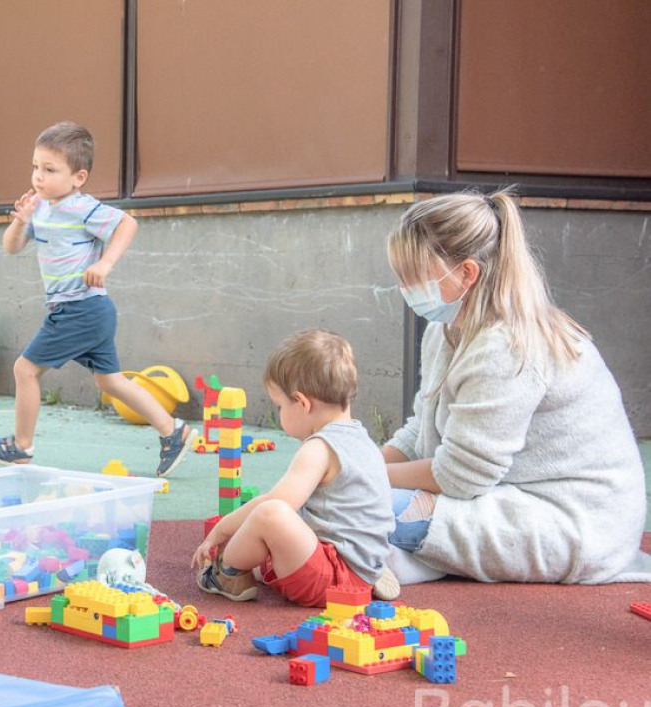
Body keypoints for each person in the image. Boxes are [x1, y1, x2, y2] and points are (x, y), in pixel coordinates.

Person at [382, 189, 651, 585]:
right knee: (353, 499)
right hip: (508, 499)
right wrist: (359, 461)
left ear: (467, 273)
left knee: (368, 506)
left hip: (572, 521)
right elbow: (421, 429)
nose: (404, 287)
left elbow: (459, 477)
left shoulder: (507, 346)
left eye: (412, 275)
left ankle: (385, 558)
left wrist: (365, 475)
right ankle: (395, 560)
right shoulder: (445, 330)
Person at [0, 121, 195, 477]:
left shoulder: (81, 207)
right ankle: (173, 432)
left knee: (25, 369)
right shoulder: (41, 208)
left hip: (81, 308)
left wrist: (105, 262)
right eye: (35, 167)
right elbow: (11, 248)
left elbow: (127, 224)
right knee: (110, 381)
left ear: (78, 177)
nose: (38, 177)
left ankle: (21, 446)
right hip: (86, 311)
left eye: (49, 170)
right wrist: (20, 222)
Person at [192, 329, 398, 607]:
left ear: (302, 403)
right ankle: (369, 575)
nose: (279, 412)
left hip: (332, 580)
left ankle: (227, 573)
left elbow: (277, 505)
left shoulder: (318, 448)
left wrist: (222, 530)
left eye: (279, 405)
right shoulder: (364, 442)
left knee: (269, 513)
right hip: (362, 569)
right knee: (275, 518)